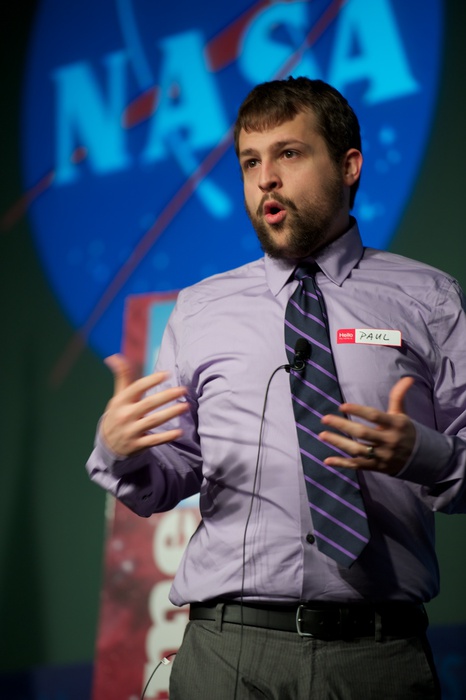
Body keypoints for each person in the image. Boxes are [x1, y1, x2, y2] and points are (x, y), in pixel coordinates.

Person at [86, 77, 466, 699]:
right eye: (250, 162)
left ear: (349, 166)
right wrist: (119, 448)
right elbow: (166, 479)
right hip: (228, 655)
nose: (266, 179)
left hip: (378, 656)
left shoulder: (430, 298)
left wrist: (423, 453)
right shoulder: (200, 309)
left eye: (289, 154)